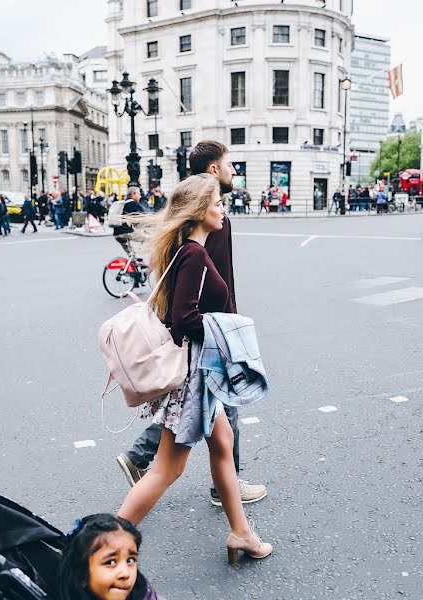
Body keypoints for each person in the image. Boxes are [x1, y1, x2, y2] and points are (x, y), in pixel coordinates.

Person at [115, 174, 272, 565]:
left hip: (197, 375)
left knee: (222, 446)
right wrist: (225, 331)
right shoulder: (195, 255)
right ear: (200, 210)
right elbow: (184, 319)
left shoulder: (186, 251)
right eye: (217, 203)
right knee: (166, 470)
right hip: (192, 377)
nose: (223, 209)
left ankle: (242, 533)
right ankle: (102, 547)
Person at [60, 514, 163, 600]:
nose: (125, 573)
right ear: (81, 574)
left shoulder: (145, 594)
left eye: (130, 560)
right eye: (111, 562)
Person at [112, 187, 149, 256]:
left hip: (117, 233)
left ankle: (135, 262)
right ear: (133, 194)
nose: (140, 196)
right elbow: (145, 218)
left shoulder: (123, 204)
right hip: (126, 232)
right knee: (148, 238)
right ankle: (140, 258)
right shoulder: (135, 204)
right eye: (139, 194)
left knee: (132, 255)